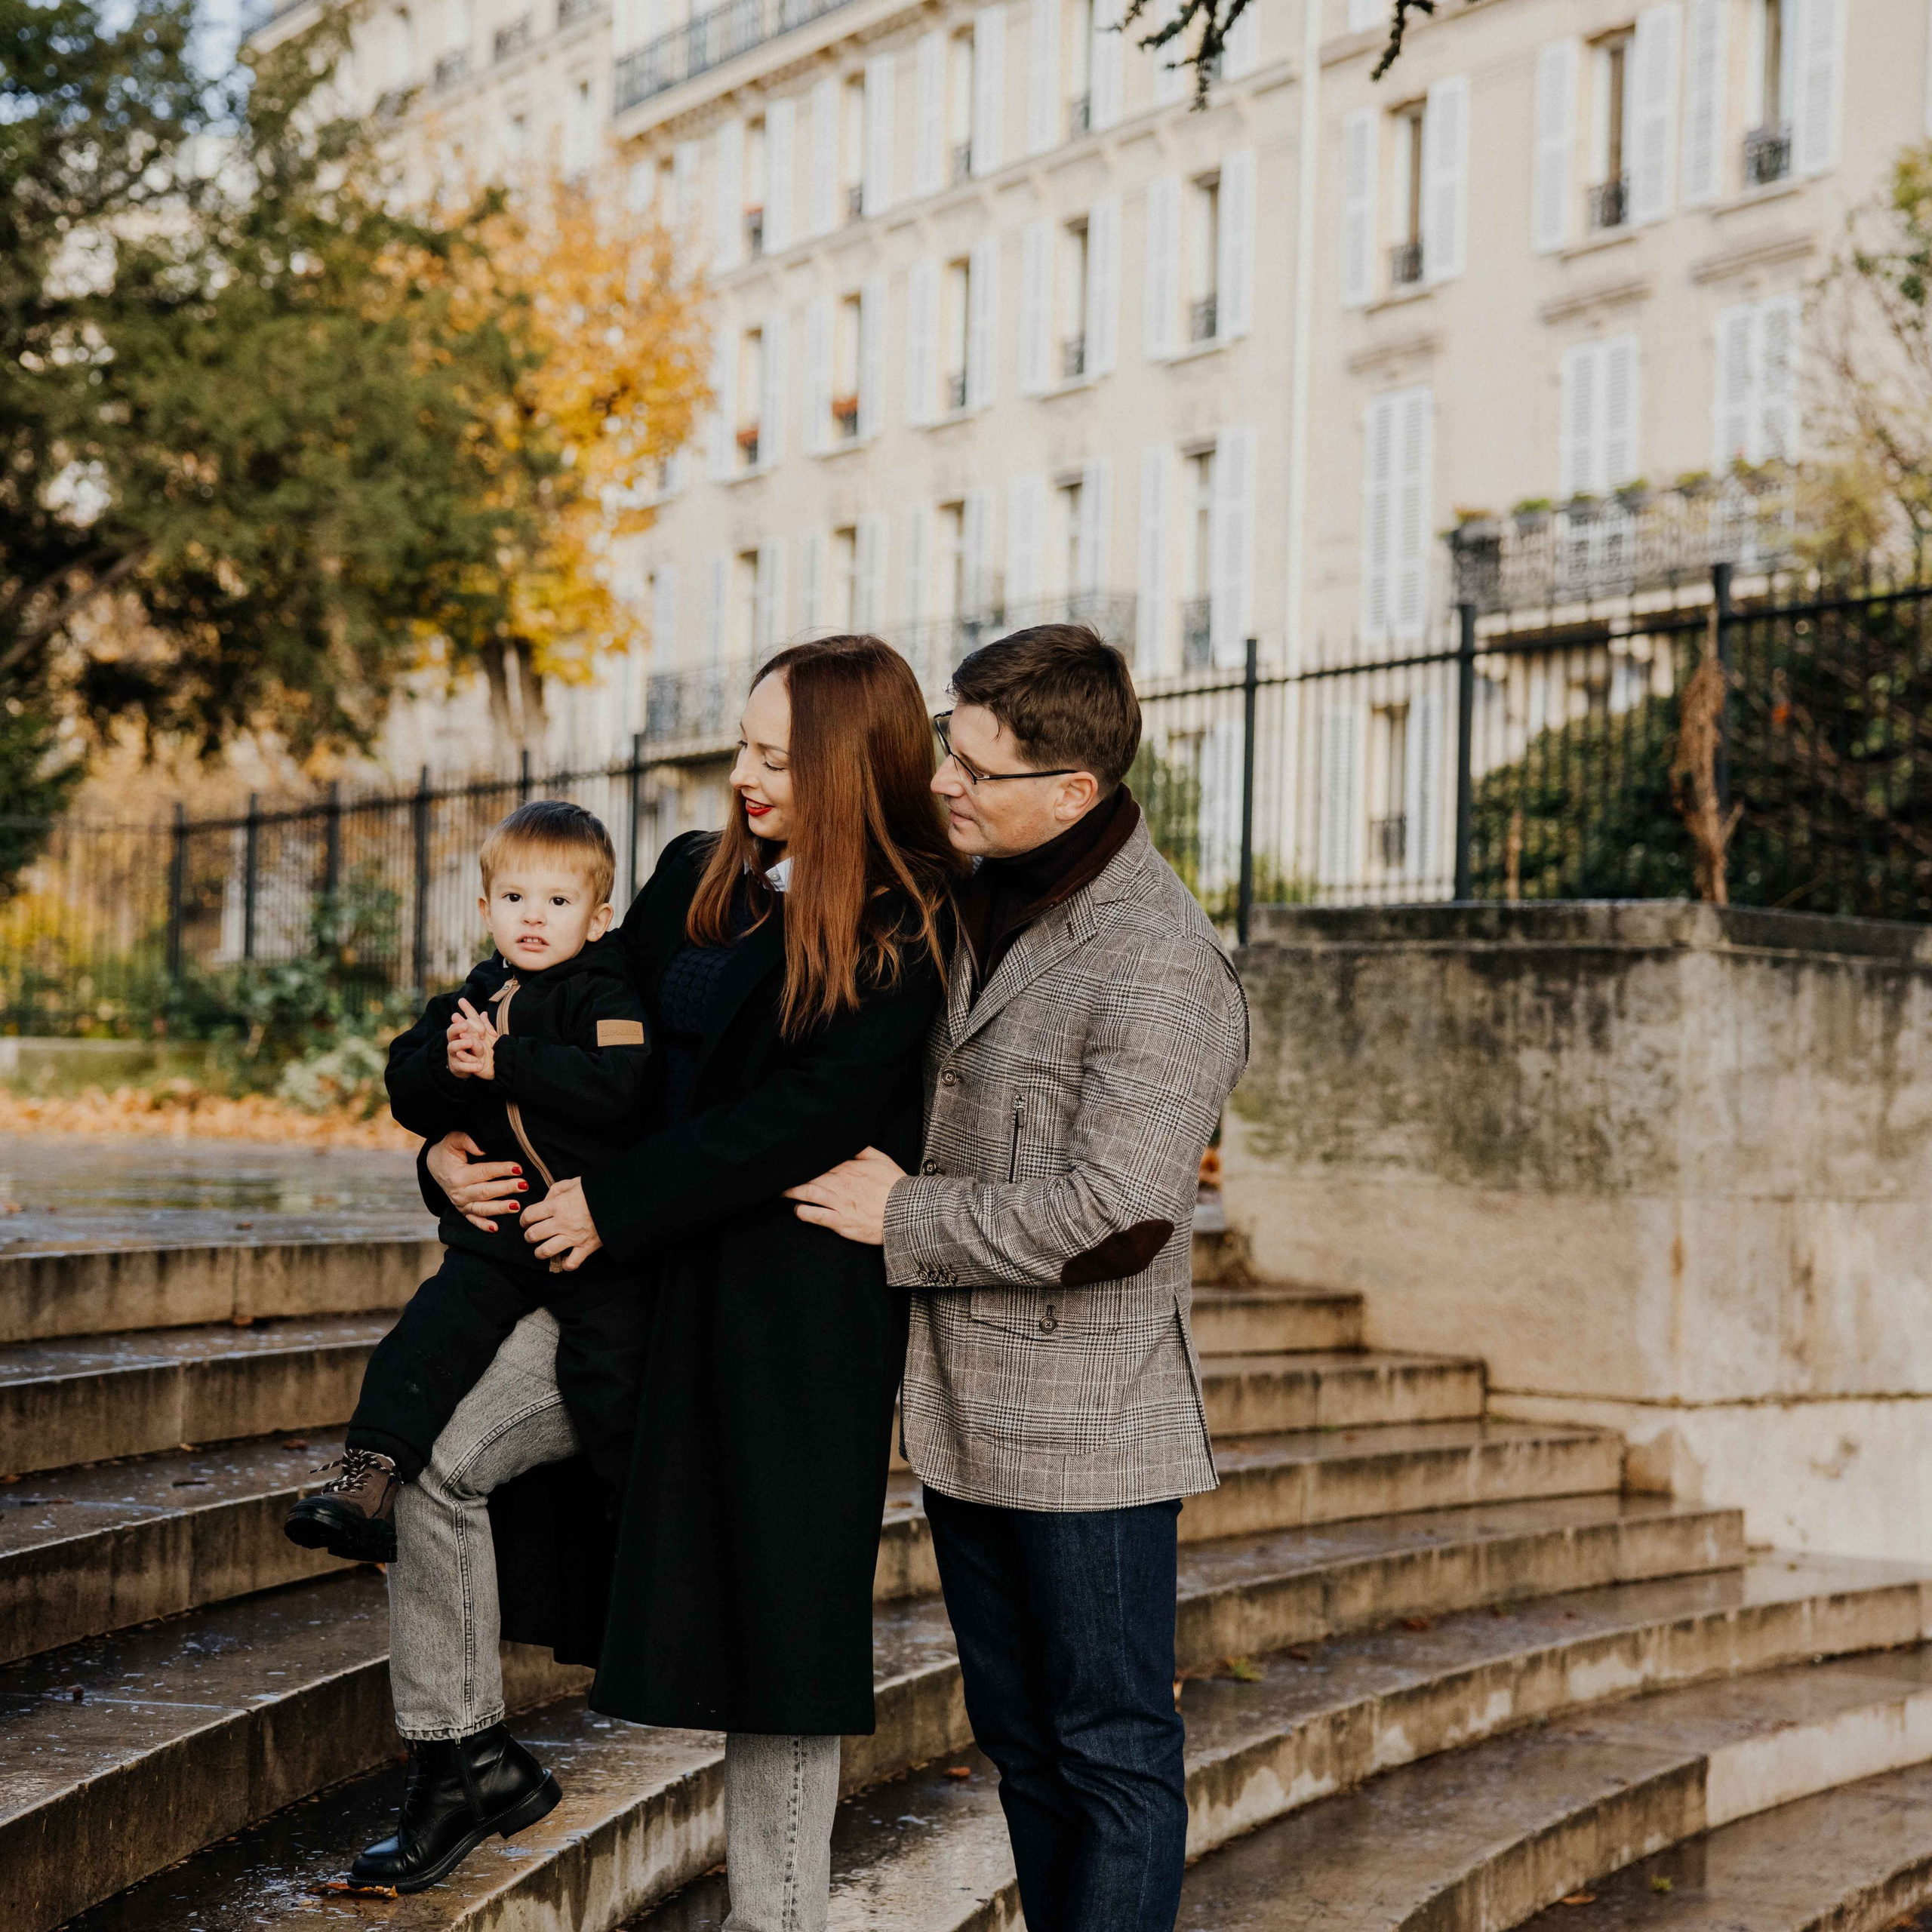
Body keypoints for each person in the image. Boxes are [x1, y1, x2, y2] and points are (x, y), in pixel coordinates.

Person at [348, 636, 963, 1929]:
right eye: (742, 745)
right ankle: (460, 1757)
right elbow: (555, 1018)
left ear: (853, 770)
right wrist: (445, 1152)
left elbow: (799, 1118)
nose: (739, 774)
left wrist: (612, 1205)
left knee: (781, 1646)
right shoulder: (694, 873)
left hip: (782, 1320)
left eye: (774, 758)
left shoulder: (908, 925)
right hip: (619, 1286)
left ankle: (775, 1919)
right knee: (440, 1464)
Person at [787, 624, 1251, 1932]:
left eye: (978, 769)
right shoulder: (975, 892)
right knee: (1028, 1751)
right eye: (951, 745)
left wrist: (905, 1217)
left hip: (1093, 1437)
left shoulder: (1159, 960)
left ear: (1074, 793)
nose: (946, 780)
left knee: (1109, 1755)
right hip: (964, 1416)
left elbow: (1118, 1214)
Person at [285, 799, 655, 1567]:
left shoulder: (608, 993)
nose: (533, 918)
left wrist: (508, 1062)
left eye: (558, 901)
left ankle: (643, 1543)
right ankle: (368, 1482)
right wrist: (446, 1068)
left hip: (594, 1248)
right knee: (422, 1343)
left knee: (613, 1383)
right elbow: (403, 1087)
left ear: (597, 917)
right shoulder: (472, 997)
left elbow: (623, 1084)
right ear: (486, 909)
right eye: (515, 899)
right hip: (493, 1242)